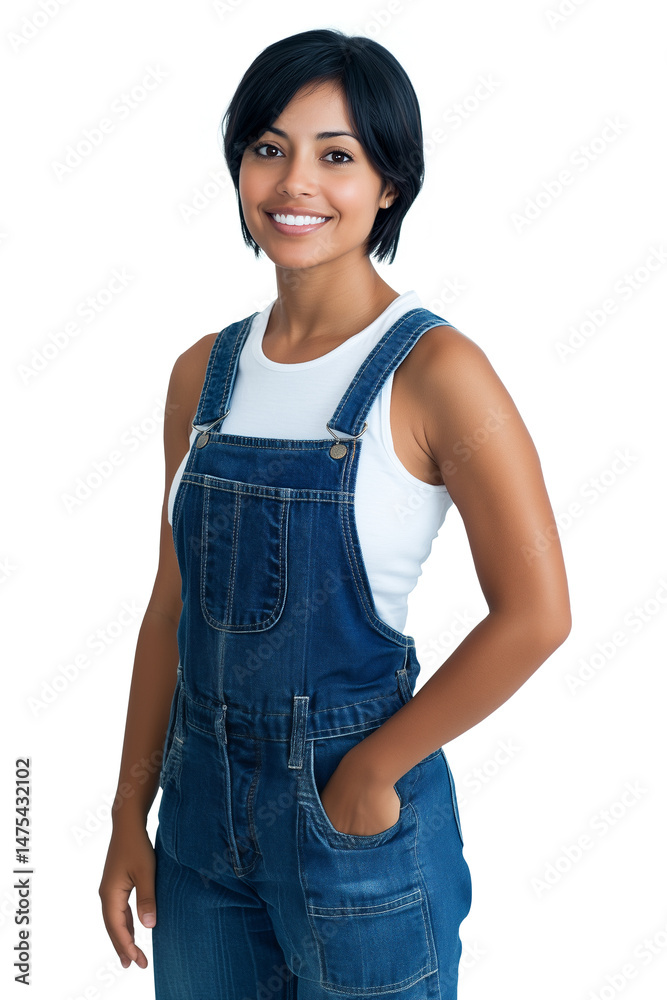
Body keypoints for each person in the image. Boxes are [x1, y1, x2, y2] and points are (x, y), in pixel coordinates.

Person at [99, 27, 571, 999]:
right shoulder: (202, 374)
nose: (294, 183)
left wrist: (371, 771)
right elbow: (170, 609)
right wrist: (125, 816)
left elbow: (537, 613)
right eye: (268, 148)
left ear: (390, 182)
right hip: (196, 828)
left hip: (352, 826)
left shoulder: (436, 372)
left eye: (337, 155)